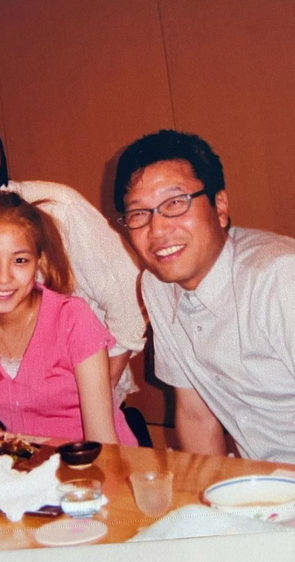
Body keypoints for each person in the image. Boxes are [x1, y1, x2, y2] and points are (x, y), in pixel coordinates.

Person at [0, 108, 146, 405]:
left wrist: (96, 394)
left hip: (86, 402)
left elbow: (129, 295)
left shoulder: (57, 208)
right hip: (2, 413)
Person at [113, 129, 295, 462]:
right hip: (259, 482)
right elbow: (196, 414)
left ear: (219, 206)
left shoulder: (280, 277)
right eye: (138, 214)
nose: (157, 229)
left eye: (174, 203)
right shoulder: (157, 286)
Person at [0, 192, 138, 445]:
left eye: (20, 260)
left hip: (96, 462)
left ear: (38, 263)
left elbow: (103, 443)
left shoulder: (73, 320)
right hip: (21, 464)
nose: (3, 277)